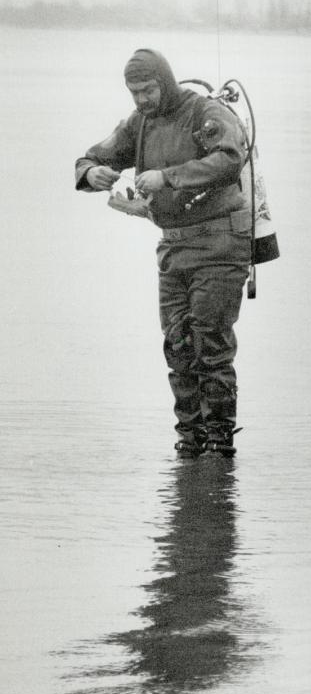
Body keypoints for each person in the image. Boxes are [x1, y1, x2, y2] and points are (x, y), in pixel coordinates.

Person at [75, 48, 254, 458]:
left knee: (209, 340)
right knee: (177, 343)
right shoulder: (139, 123)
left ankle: (219, 440)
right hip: (173, 245)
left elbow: (230, 158)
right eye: (134, 92)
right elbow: (92, 155)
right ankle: (190, 439)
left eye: (148, 90)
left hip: (221, 242)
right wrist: (90, 172)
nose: (141, 99)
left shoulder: (204, 112)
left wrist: (168, 177)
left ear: (166, 82)